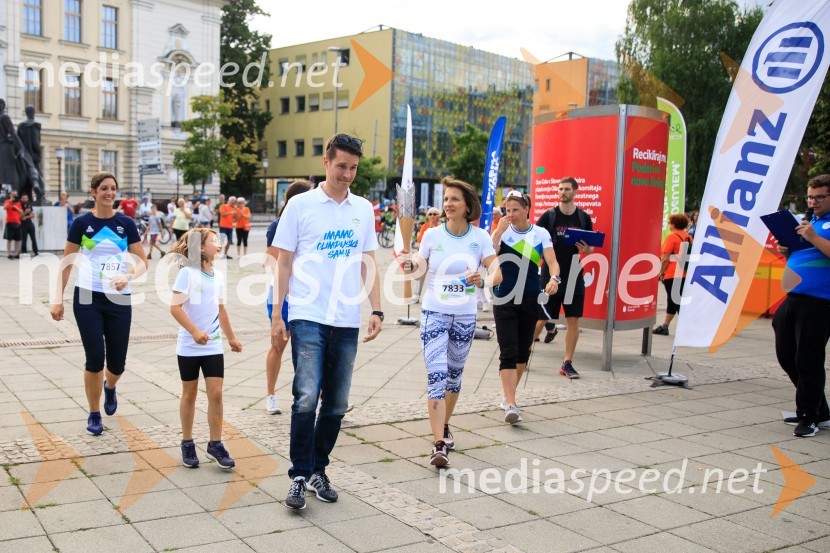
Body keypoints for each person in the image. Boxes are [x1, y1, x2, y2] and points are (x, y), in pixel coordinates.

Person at [271, 134, 382, 510]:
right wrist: (277, 312)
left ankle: (319, 468)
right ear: (325, 162)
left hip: (346, 317)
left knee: (336, 403)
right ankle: (299, 476)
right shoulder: (301, 205)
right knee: (305, 397)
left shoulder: (363, 208)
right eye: (341, 166)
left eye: (353, 168)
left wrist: (377, 310)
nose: (347, 174)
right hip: (307, 314)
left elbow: (368, 261)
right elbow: (283, 262)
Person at [408, 177, 500, 467]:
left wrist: (484, 279)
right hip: (434, 313)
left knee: (453, 378)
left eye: (454, 200)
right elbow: (418, 272)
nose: (447, 204)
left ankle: (444, 424)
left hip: (464, 316)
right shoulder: (432, 236)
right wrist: (409, 264)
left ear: (467, 205)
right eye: (446, 199)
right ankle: (438, 445)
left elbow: (497, 270)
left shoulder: (480, 237)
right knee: (436, 376)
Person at [50, 172, 148, 435]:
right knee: (94, 358)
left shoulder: (125, 223)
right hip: (87, 297)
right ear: (93, 191)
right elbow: (67, 263)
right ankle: (94, 413)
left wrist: (128, 276)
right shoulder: (82, 223)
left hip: (118, 298)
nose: (109, 192)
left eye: (113, 188)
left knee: (117, 364)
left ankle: (110, 386)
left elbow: (142, 261)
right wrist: (57, 299)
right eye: (104, 188)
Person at [168, 228, 242, 468]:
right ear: (200, 248)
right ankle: (187, 443)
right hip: (189, 346)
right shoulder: (187, 274)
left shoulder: (217, 276)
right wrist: (194, 331)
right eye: (214, 241)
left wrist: (231, 338)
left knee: (217, 394)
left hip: (212, 347)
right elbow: (175, 308)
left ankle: (215, 443)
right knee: (189, 394)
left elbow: (221, 309)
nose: (219, 245)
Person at [491, 191, 559, 423]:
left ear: (527, 209)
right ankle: (511, 403)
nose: (511, 215)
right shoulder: (502, 232)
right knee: (507, 351)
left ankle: (508, 395)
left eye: (515, 210)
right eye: (507, 210)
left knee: (523, 352)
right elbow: (486, 254)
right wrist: (499, 232)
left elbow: (552, 262)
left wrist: (554, 279)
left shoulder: (540, 233)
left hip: (530, 297)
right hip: (504, 298)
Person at [774, 174, 830, 438]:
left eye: (820, 196)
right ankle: (821, 409)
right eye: (810, 196)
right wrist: (787, 250)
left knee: (807, 359)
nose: (813, 201)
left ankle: (809, 415)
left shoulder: (818, 227)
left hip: (819, 301)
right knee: (786, 355)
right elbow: (802, 255)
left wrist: (813, 237)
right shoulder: (811, 222)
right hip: (793, 297)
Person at [535, 177, 595, 379]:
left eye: (567, 189)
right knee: (541, 317)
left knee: (574, 319)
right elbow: (535, 242)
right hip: (551, 274)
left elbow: (591, 246)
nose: (562, 192)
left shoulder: (583, 217)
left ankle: (567, 363)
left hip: (574, 273)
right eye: (560, 188)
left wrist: (587, 249)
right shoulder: (549, 216)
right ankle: (522, 355)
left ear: (575, 192)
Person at [264, 180, 313, 415]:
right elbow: (273, 262)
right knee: (278, 346)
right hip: (283, 296)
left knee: (311, 349)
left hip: (307, 296)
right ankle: (271, 395)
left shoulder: (311, 223)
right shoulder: (277, 226)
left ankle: (319, 396)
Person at [653, 213, 692, 336]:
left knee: (674, 300)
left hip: (672, 273)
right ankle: (667, 326)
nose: (670, 225)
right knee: (676, 299)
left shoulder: (672, 237)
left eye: (670, 223)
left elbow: (665, 258)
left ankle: (683, 327)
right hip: (684, 273)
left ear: (674, 224)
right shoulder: (688, 237)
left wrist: (661, 272)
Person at [3, 190, 23, 258]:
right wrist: (10, 201)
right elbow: (4, 207)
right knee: (9, 239)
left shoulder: (18, 203)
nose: (13, 196)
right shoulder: (7, 201)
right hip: (9, 222)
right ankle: (9, 254)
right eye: (12, 194)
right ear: (10, 195)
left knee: (17, 239)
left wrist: (17, 208)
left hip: (17, 222)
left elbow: (21, 212)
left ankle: (16, 253)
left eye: (14, 195)